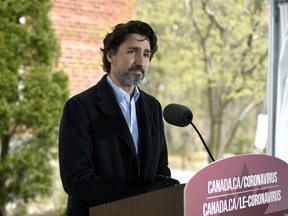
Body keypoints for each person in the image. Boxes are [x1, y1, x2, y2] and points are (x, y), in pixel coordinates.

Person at [58, 20, 179, 216]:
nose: (140, 61)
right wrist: (139, 197)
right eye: (132, 51)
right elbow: (76, 180)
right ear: (111, 55)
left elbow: (160, 166)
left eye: (146, 54)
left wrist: (163, 186)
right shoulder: (80, 107)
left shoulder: (153, 107)